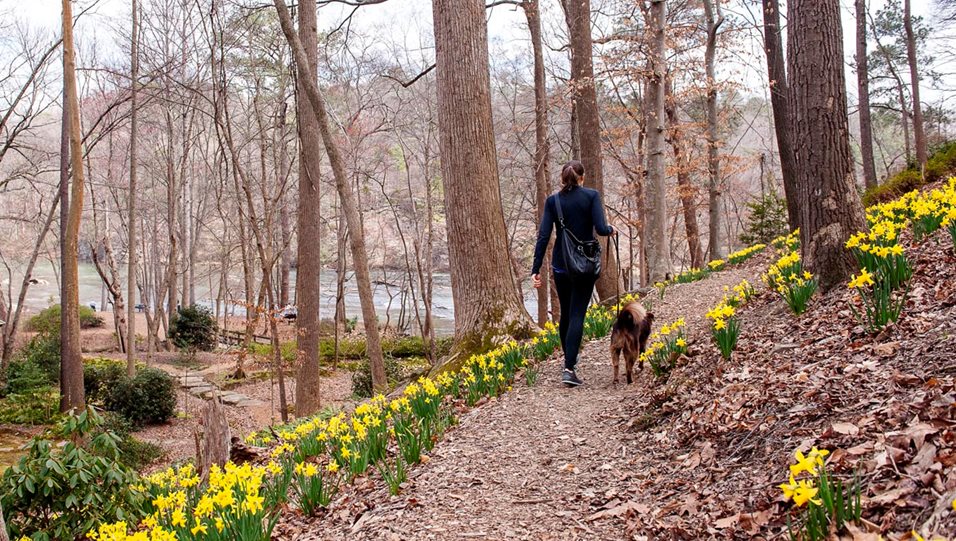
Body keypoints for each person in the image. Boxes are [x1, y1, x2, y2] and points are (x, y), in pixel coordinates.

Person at [531, 160, 614, 387]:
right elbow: (600, 228)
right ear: (581, 177)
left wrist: (535, 268)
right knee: (578, 313)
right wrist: (611, 230)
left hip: (561, 265)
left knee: (566, 314)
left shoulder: (553, 201)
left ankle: (569, 360)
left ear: (562, 178)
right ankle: (569, 367)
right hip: (584, 266)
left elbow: (543, 236)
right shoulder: (591, 196)